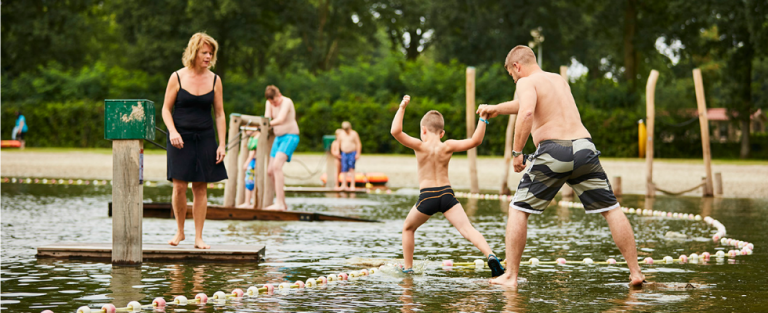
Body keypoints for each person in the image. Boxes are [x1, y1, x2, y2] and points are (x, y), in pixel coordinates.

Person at [477, 45, 644, 288]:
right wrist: (497, 109)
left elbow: (526, 112)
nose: (514, 80)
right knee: (611, 209)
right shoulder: (557, 80)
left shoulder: (525, 83)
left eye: (512, 76)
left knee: (518, 209)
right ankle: (636, 272)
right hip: (585, 149)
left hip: (554, 151)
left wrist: (516, 153)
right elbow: (529, 105)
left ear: (517, 66)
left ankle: (510, 276)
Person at [390, 95, 505, 277]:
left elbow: (395, 131)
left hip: (427, 197)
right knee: (467, 229)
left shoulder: (420, 146)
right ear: (442, 133)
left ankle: (408, 268)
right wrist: (483, 118)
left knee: (408, 228)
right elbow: (476, 141)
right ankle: (490, 255)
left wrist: (402, 107)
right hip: (446, 195)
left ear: (423, 130)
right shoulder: (448, 145)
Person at [161, 32, 228, 249]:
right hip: (179, 138)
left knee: (200, 187)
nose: (208, 56)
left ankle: (199, 237)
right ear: (194, 52)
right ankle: (180, 232)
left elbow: (219, 114)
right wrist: (172, 131)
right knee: (179, 186)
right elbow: (165, 109)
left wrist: (222, 144)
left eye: (211, 53)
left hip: (205, 138)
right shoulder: (177, 77)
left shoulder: (215, 80)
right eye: (204, 52)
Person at [263, 85, 300, 211]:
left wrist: (263, 125)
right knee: (270, 171)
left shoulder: (287, 102)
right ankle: (281, 203)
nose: (274, 104)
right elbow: (267, 118)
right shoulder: (269, 103)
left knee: (277, 166)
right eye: (271, 102)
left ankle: (279, 203)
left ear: (279, 95)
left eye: (275, 101)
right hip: (278, 138)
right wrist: (263, 124)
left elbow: (280, 119)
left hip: (290, 136)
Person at [238, 128, 260, 208]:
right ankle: (251, 202)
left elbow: (252, 153)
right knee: (251, 183)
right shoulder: (254, 138)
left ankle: (248, 202)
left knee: (249, 182)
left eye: (248, 130)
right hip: (254, 163)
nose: (246, 132)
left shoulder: (257, 138)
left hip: (252, 163)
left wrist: (246, 163)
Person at [337, 121, 361, 191]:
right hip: (344, 153)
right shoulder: (341, 134)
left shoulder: (354, 133)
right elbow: (338, 143)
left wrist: (358, 153)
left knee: (351, 168)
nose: (346, 130)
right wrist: (338, 152)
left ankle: (352, 185)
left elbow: (358, 144)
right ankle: (344, 185)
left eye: (347, 129)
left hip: (352, 153)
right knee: (344, 169)